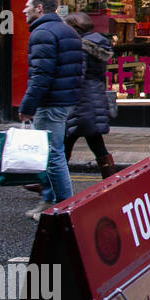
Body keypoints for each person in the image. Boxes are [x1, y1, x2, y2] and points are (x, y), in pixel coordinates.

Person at [18, 0, 82, 220]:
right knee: (50, 153)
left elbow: (41, 75)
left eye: (26, 6)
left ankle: (64, 207)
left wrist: (27, 106)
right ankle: (49, 201)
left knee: (53, 154)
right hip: (64, 101)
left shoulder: (42, 33)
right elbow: (78, 69)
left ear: (38, 8)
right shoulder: (68, 31)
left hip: (51, 102)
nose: (23, 11)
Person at [63, 12, 119, 177]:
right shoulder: (98, 46)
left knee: (64, 144)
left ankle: (49, 184)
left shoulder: (80, 48)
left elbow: (76, 76)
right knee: (95, 143)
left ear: (74, 28)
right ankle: (110, 180)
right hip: (94, 99)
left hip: (81, 101)